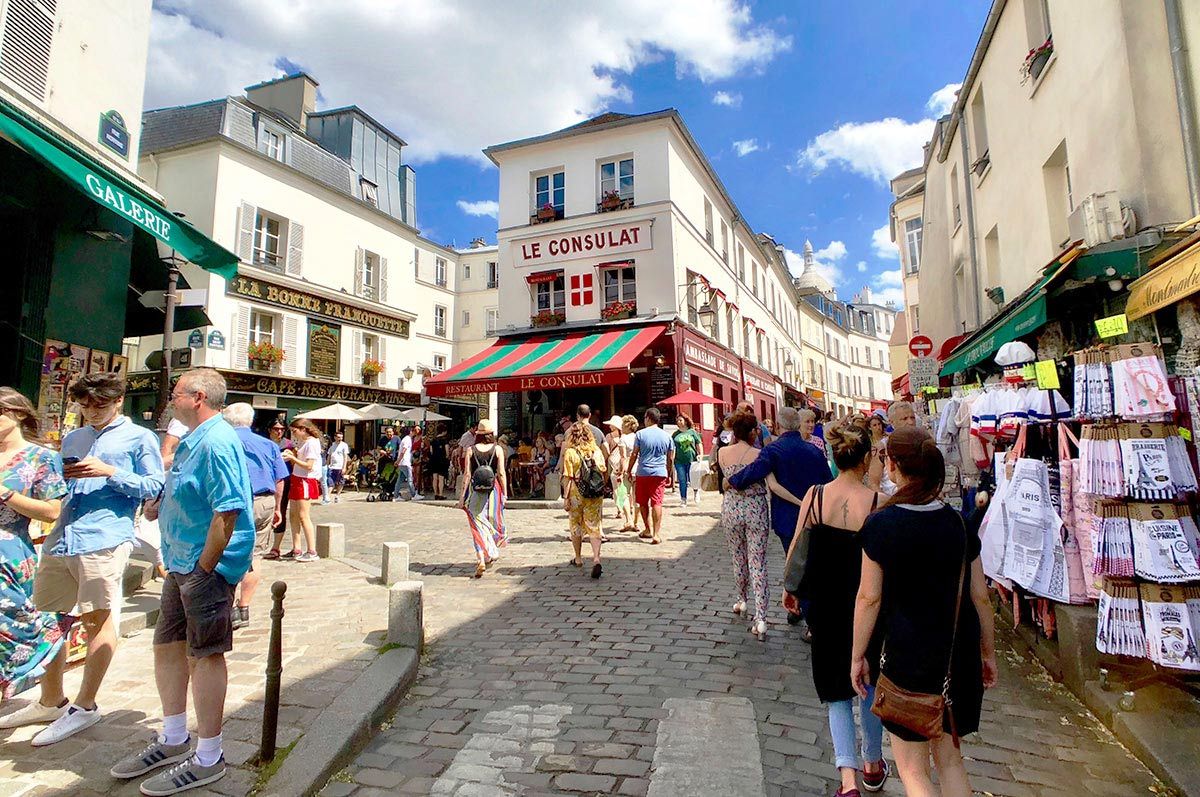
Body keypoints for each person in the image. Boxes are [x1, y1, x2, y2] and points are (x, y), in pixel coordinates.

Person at [110, 368, 254, 793]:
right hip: (180, 561)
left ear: (197, 396)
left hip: (201, 565)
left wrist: (206, 568)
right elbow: (195, 493)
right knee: (168, 645)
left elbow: (227, 511)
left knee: (205, 654)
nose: (169, 400)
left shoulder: (217, 441)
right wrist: (162, 505)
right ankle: (174, 737)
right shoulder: (195, 440)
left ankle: (210, 756)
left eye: (175, 394)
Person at [18, 374, 164, 746]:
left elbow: (154, 486)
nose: (91, 412)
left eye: (99, 404)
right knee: (49, 620)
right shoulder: (74, 437)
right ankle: (51, 699)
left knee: (98, 619)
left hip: (104, 537)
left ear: (117, 401)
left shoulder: (140, 437)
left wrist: (110, 472)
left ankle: (85, 705)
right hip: (63, 534)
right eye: (84, 405)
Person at [852, 427, 998, 797]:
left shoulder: (882, 525)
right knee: (951, 762)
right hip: (956, 656)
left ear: (896, 467)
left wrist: (857, 656)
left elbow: (869, 599)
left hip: (907, 657)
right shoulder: (959, 524)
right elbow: (980, 597)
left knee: (914, 772)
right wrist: (988, 652)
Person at [786, 423, 888, 796]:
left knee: (835, 692)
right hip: (866, 605)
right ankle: (873, 763)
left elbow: (797, 546)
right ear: (865, 459)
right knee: (868, 684)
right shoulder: (877, 503)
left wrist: (790, 589)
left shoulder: (814, 496)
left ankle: (847, 781)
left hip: (824, 606)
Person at [727, 406, 833, 627]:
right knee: (811, 562)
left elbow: (754, 471)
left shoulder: (774, 450)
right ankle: (800, 608)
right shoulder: (814, 451)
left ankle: (809, 617)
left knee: (796, 565)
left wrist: (731, 481)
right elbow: (827, 481)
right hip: (815, 514)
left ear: (779, 425)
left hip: (788, 517)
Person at [0, 389, 68, 706]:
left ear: (19, 414)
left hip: (9, 556)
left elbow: (53, 510)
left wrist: (6, 494)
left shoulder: (40, 458)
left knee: (19, 626)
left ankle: (51, 698)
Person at [221, 403, 286, 630]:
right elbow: (280, 480)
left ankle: (227, 608)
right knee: (255, 555)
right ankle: (244, 608)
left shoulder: (223, 442)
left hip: (232, 502)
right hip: (264, 501)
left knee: (226, 552)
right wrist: (278, 508)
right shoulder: (268, 445)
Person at [717, 411, 771, 640]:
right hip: (756, 508)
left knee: (738, 557)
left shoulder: (722, 452)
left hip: (731, 508)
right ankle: (761, 617)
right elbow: (771, 483)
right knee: (757, 562)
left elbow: (724, 481)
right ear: (751, 432)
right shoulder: (760, 454)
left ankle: (741, 599)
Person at [459, 419, 506, 578]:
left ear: (477, 434)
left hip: (475, 491)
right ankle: (490, 550)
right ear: (491, 434)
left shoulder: (470, 450)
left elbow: (467, 474)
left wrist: (461, 497)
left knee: (476, 524)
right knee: (491, 522)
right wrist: (505, 493)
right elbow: (501, 473)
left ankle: (481, 557)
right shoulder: (498, 449)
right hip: (494, 491)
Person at [561, 421, 607, 578]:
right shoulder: (596, 451)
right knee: (594, 525)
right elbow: (603, 471)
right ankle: (596, 558)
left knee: (575, 524)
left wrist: (565, 497)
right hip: (594, 493)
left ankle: (579, 557)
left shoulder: (570, 453)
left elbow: (567, 477)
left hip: (576, 492)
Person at [627, 407, 674, 545]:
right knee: (657, 502)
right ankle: (656, 534)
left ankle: (647, 528)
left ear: (647, 418)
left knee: (642, 502)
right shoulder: (667, 436)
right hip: (660, 473)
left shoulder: (640, 434)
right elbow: (670, 458)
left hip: (643, 472)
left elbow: (634, 454)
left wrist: (629, 470)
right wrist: (669, 474)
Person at [281, 419, 321, 562]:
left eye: (295, 431)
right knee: (293, 515)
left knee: (304, 516)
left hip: (305, 480)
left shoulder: (312, 443)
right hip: (296, 478)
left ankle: (312, 550)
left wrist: (293, 457)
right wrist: (292, 454)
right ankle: (296, 548)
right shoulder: (303, 442)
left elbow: (309, 465)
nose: (293, 434)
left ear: (303, 429)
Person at [263, 420, 294, 559]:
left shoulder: (288, 445)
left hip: (283, 481)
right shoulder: (263, 443)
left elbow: (294, 463)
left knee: (280, 510)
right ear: (270, 429)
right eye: (276, 429)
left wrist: (292, 456)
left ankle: (276, 547)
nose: (279, 431)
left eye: (282, 429)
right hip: (266, 480)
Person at [556, 404, 609, 474]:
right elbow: (606, 451)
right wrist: (598, 463)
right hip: (594, 473)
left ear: (577, 415)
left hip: (575, 473)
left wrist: (561, 472)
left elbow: (563, 453)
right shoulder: (599, 432)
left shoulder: (569, 432)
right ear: (589, 415)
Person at [602, 415, 633, 530]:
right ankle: (629, 507)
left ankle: (620, 509)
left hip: (614, 464)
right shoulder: (625, 437)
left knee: (616, 488)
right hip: (625, 464)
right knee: (626, 489)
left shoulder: (609, 437)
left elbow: (606, 450)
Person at [671, 415, 703, 507]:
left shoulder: (692, 432)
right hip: (679, 460)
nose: (678, 422)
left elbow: (698, 443)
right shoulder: (675, 434)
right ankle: (683, 499)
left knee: (693, 478)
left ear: (685, 421)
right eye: (677, 420)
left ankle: (696, 492)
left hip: (692, 459)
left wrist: (700, 454)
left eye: (680, 420)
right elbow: (672, 447)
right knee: (682, 480)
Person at [392, 425, 416, 501]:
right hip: (405, 462)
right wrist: (398, 460)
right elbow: (403, 451)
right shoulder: (407, 439)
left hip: (402, 463)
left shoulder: (404, 439)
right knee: (410, 479)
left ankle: (395, 496)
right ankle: (414, 495)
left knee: (399, 480)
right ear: (410, 432)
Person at [428, 425, 451, 500]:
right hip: (442, 460)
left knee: (435, 478)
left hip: (434, 460)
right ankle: (440, 494)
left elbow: (431, 451)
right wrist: (447, 457)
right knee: (441, 478)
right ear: (444, 431)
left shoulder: (433, 440)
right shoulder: (445, 440)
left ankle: (436, 494)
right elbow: (447, 451)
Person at [326, 431, 350, 502]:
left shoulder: (344, 445)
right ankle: (328, 497)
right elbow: (329, 456)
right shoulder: (332, 445)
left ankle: (337, 495)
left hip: (340, 466)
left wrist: (344, 467)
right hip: (332, 467)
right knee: (330, 482)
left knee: (340, 482)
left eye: (341, 437)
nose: (340, 439)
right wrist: (327, 465)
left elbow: (345, 457)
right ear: (335, 437)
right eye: (339, 437)